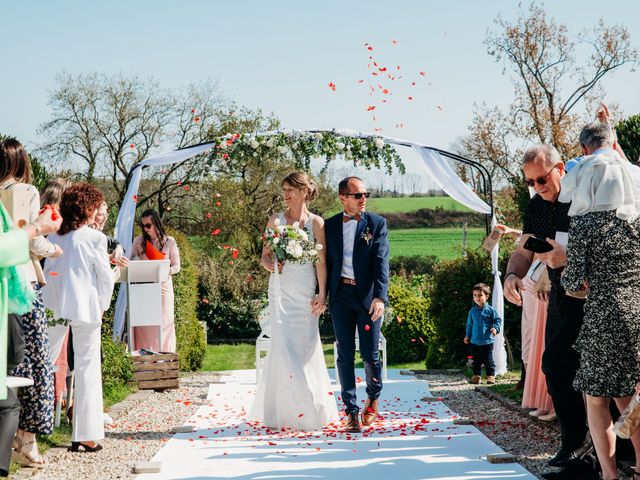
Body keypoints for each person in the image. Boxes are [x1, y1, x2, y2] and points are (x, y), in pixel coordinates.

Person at [503, 144, 596, 480]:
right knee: (558, 369)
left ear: (560, 169)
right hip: (559, 300)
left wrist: (565, 261)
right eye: (531, 182)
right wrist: (512, 274)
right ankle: (576, 445)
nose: (538, 186)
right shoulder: (536, 207)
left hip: (593, 300)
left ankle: (591, 449)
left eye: (542, 178)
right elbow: (524, 248)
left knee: (563, 366)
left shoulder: (584, 198)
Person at [559, 119, 640, 480]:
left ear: (584, 152)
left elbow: (573, 282)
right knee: (630, 398)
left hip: (604, 316)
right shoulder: (636, 221)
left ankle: (609, 475)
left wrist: (583, 282)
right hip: (638, 313)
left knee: (597, 399)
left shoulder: (586, 226)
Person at [248, 172, 338, 431]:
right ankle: (288, 412)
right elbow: (264, 257)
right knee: (284, 348)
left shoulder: (317, 223)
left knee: (306, 350)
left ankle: (310, 406)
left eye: (290, 189)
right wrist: (272, 264)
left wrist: (322, 293)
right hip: (281, 290)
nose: (285, 194)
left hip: (306, 290)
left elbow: (320, 261)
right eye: (284, 189)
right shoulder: (275, 220)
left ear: (303, 191)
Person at [0, 138, 62, 467]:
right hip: (23, 283)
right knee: (35, 359)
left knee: (8, 364)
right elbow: (33, 239)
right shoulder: (25, 192)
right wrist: (53, 248)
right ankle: (28, 438)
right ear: (22, 161)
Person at [42, 183, 116, 453]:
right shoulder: (95, 238)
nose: (97, 212)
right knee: (87, 369)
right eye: (95, 206)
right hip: (86, 308)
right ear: (87, 208)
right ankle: (84, 434)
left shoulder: (55, 237)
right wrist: (104, 305)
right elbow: (104, 277)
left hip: (54, 306)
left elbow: (49, 271)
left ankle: (29, 427)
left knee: (44, 362)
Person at [324, 176, 389, 433]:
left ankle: (373, 397)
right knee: (344, 355)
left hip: (368, 298)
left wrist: (380, 297)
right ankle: (350, 411)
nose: (364, 199)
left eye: (365, 194)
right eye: (358, 195)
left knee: (371, 354)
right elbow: (323, 262)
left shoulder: (377, 223)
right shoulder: (329, 226)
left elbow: (381, 262)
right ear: (343, 198)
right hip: (340, 296)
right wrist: (321, 294)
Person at [128, 209, 180, 353]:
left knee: (164, 324)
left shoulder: (169, 241)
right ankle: (144, 359)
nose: (145, 229)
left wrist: (167, 270)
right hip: (144, 288)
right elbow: (130, 260)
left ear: (157, 223)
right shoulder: (139, 241)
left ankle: (164, 358)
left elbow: (177, 266)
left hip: (163, 288)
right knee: (144, 324)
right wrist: (138, 260)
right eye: (143, 225)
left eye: (148, 225)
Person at [464, 283, 502, 384]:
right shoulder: (472, 312)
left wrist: (495, 328)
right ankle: (477, 376)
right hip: (474, 341)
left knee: (488, 360)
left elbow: (497, 320)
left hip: (487, 341)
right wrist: (467, 335)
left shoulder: (491, 311)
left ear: (487, 296)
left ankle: (490, 376)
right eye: (475, 295)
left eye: (480, 295)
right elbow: (469, 325)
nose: (477, 298)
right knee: (476, 361)